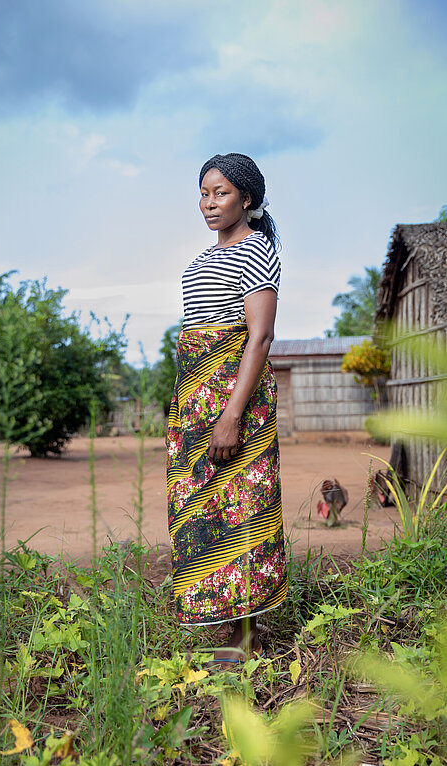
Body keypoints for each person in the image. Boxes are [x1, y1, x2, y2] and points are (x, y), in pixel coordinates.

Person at [167, 152, 287, 665]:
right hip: (196, 401)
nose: (209, 203)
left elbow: (258, 338)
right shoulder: (200, 260)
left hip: (235, 400)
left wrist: (231, 415)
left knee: (242, 507)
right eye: (204, 193)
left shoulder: (257, 250)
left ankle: (248, 636)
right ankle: (226, 624)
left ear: (248, 199)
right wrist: (184, 405)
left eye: (221, 193)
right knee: (203, 509)